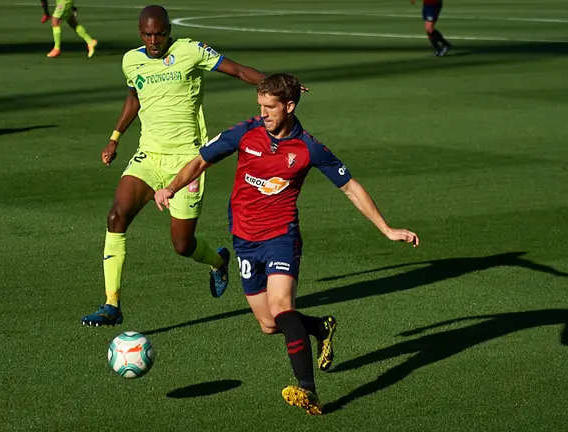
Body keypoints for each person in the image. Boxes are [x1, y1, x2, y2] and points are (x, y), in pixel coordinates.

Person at [154, 73, 420, 415]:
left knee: (281, 307)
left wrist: (386, 229)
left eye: (270, 107)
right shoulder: (245, 132)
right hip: (244, 240)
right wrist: (172, 187)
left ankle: (307, 389)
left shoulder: (308, 148)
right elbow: (201, 159)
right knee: (269, 324)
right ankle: (318, 326)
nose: (262, 113)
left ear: (290, 106)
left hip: (281, 237)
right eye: (260, 106)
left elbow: (350, 187)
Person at [81, 5, 271, 327]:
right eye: (147, 34)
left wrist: (276, 84)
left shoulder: (191, 50)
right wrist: (115, 137)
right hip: (149, 157)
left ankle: (218, 261)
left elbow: (237, 71)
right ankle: (112, 304)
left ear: (169, 30)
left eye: (160, 33)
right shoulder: (131, 60)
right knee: (116, 216)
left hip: (188, 163)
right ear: (140, 33)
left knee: (182, 245)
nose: (154, 40)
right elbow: (134, 97)